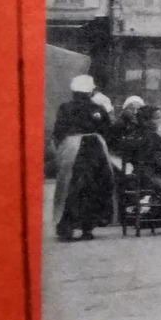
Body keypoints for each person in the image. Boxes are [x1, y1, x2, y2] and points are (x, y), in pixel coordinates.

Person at [50, 74, 116, 242]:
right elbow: (107, 129)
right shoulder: (97, 108)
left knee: (69, 186)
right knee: (95, 185)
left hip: (72, 148)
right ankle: (88, 226)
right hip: (95, 149)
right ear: (90, 91)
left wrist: (60, 147)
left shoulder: (65, 108)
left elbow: (59, 130)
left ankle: (66, 226)